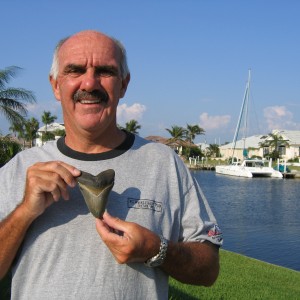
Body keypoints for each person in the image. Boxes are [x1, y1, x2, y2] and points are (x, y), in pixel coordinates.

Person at [0, 30, 222, 300]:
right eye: (75, 70)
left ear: (124, 84)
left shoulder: (164, 164)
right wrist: (24, 211)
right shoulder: (21, 168)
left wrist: (156, 249)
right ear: (56, 85)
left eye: (105, 71)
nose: (90, 83)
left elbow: (209, 268)